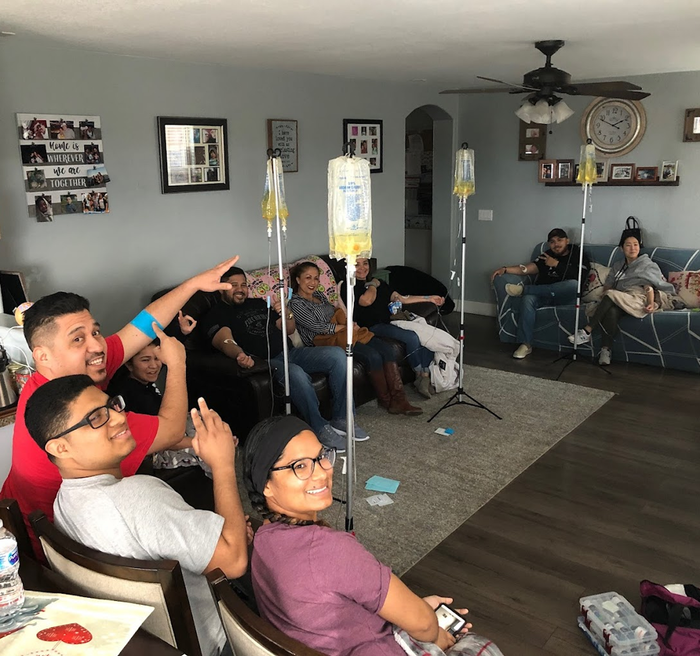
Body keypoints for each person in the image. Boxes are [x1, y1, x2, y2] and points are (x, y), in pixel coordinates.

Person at [1, 256, 240, 557]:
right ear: (43, 355)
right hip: (63, 549)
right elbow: (171, 430)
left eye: (95, 332)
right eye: (78, 339)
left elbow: (142, 326)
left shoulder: (59, 377)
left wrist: (192, 285)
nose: (97, 346)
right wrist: (177, 363)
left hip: (35, 525)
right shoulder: (79, 417)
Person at [25, 379, 250, 656]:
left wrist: (222, 534)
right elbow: (234, 561)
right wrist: (223, 463)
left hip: (148, 641)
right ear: (61, 448)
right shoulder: (137, 496)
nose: (119, 417)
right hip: (213, 643)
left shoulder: (64, 501)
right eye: (96, 418)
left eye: (111, 405)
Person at [243, 415, 472, 655]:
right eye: (299, 466)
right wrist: (437, 635)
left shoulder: (264, 540)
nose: (322, 472)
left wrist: (416, 608)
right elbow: (424, 624)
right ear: (265, 485)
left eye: (321, 457)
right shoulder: (331, 550)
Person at [199, 266, 368, 451]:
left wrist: (286, 313)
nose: (240, 289)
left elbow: (288, 329)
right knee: (295, 373)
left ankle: (342, 419)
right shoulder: (217, 314)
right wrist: (239, 354)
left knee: (337, 355)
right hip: (266, 361)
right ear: (221, 287)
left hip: (291, 352)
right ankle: (319, 427)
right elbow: (225, 341)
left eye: (243, 284)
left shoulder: (259, 303)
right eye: (233, 285)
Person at [290, 261, 422, 416]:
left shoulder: (319, 295)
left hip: (344, 332)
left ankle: (400, 399)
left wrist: (349, 323)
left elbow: (335, 312)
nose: (313, 283)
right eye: (308, 278)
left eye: (316, 278)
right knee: (372, 355)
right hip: (326, 340)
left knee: (386, 349)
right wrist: (345, 328)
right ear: (298, 280)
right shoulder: (296, 303)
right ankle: (387, 400)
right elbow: (317, 327)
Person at [568, 234, 675, 366]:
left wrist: (651, 302)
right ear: (621, 248)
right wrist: (606, 291)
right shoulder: (618, 266)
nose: (632, 248)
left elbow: (649, 286)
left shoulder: (647, 264)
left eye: (635, 244)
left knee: (611, 295)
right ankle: (605, 350)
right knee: (611, 310)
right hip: (621, 297)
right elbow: (608, 283)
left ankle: (587, 330)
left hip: (638, 297)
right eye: (628, 245)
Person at [348, 257, 443, 399]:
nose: (362, 268)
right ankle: (420, 375)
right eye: (357, 265)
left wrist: (429, 298)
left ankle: (425, 374)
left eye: (365, 263)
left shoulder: (382, 284)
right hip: (372, 327)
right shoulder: (350, 286)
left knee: (425, 335)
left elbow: (403, 299)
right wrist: (372, 283)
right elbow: (366, 301)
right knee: (411, 337)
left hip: (390, 322)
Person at [491, 228, 589, 359]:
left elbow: (581, 276)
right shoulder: (547, 255)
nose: (556, 244)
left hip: (566, 297)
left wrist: (556, 264)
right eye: (552, 242)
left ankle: (524, 290)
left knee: (573, 284)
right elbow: (528, 268)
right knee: (528, 299)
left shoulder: (578, 253)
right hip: (544, 295)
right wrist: (505, 269)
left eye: (560, 240)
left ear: (567, 241)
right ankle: (526, 344)